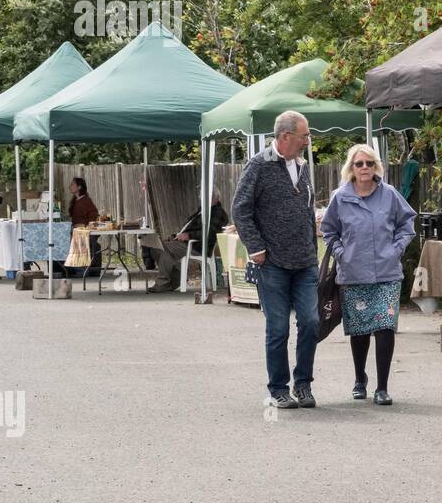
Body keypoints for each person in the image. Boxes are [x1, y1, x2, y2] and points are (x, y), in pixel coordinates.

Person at [232, 110, 320, 409]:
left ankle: (304, 385)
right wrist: (255, 247)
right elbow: (240, 208)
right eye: (304, 135)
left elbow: (307, 208)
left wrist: (312, 241)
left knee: (310, 322)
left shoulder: (303, 165)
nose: (308, 140)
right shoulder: (259, 165)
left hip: (305, 261)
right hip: (272, 264)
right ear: (285, 137)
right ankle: (278, 388)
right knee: (279, 327)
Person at [321, 143, 416, 406]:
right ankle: (359, 378)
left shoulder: (389, 194)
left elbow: (407, 224)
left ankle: (382, 387)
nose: (364, 168)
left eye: (369, 163)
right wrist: (341, 253)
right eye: (359, 163)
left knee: (385, 327)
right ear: (351, 168)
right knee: (360, 330)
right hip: (353, 273)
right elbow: (328, 231)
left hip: (387, 273)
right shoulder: (340, 197)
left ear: (376, 167)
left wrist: (396, 249)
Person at [142, 192, 230, 293]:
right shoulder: (202, 211)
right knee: (156, 248)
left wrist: (189, 236)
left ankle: (163, 283)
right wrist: (175, 236)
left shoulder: (217, 212)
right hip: (187, 244)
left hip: (198, 247)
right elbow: (188, 229)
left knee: (165, 249)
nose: (203, 199)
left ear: (216, 198)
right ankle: (175, 279)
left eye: (207, 197)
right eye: (202, 197)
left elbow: (209, 233)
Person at [67, 177, 102, 277]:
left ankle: (81, 271)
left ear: (79, 187)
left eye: (73, 184)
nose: (70, 186)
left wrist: (84, 226)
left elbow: (94, 215)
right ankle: (73, 270)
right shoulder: (75, 201)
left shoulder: (86, 201)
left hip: (86, 231)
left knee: (78, 242)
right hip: (76, 231)